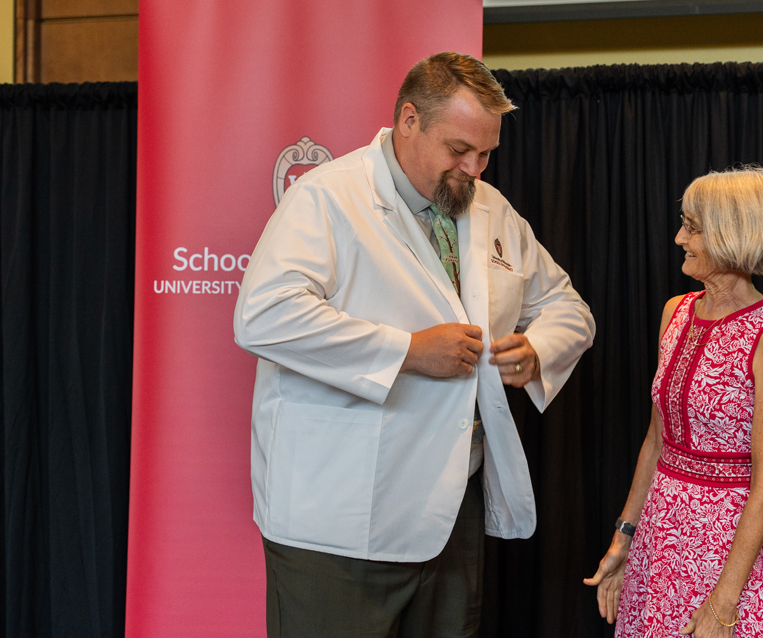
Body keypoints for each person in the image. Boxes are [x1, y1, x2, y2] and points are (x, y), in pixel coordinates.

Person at [234, 52, 595, 638]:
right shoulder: (328, 198)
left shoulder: (492, 209)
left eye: (486, 153)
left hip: (448, 517)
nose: (475, 168)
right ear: (408, 121)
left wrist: (537, 349)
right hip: (337, 524)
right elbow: (264, 316)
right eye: (459, 150)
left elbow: (568, 307)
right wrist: (406, 350)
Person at [585, 167, 763, 637]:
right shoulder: (676, 311)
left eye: (692, 227)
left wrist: (724, 604)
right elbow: (656, 439)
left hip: (727, 554)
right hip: (659, 537)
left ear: (734, 235)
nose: (678, 237)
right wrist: (623, 537)